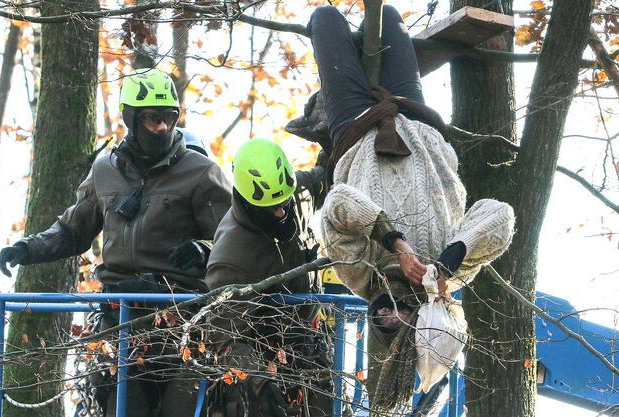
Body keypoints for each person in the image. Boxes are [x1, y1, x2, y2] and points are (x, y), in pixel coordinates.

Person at [298, 5, 516, 410]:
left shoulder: (360, 275)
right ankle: (372, 33)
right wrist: (451, 258)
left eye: (382, 322)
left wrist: (394, 242)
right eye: (400, 319)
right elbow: (499, 215)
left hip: (357, 127)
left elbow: (338, 205)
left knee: (325, 19)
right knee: (389, 16)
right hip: (419, 120)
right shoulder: (450, 277)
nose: (389, 314)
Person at [0, 68, 233, 416]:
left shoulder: (201, 170)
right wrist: (28, 248)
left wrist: (204, 249)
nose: (163, 127)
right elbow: (72, 229)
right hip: (118, 317)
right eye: (154, 118)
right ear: (131, 118)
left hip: (181, 315)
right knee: (123, 408)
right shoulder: (105, 169)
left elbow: (231, 235)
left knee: (181, 410)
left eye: (170, 117)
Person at [203, 138, 331, 417]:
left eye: (283, 203)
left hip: (309, 346)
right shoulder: (231, 257)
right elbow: (221, 335)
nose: (281, 212)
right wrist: (260, 383)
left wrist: (333, 135)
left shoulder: (298, 193)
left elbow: (330, 173)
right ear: (248, 204)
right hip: (259, 356)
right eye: (270, 209)